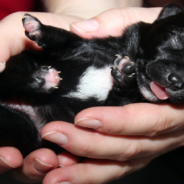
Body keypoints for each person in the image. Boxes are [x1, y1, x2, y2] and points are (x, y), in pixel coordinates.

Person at [0, 0, 184, 183]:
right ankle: (27, 81)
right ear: (163, 18)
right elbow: (73, 47)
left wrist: (122, 91)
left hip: (32, 128)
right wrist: (46, 34)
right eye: (177, 42)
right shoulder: (118, 46)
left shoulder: (141, 107)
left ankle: (32, 82)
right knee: (19, 68)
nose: (178, 78)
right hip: (25, 76)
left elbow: (110, 118)